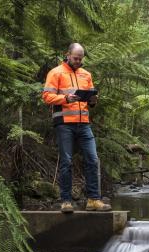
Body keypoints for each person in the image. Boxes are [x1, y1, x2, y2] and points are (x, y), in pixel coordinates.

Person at [42, 43, 111, 213]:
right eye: (75, 58)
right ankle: (66, 201)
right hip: (64, 123)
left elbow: (90, 99)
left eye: (80, 59)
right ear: (67, 55)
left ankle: (93, 200)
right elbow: (47, 96)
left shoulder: (86, 74)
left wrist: (93, 101)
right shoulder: (55, 72)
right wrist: (66, 99)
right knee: (66, 162)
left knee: (92, 159)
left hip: (84, 123)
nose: (78, 62)